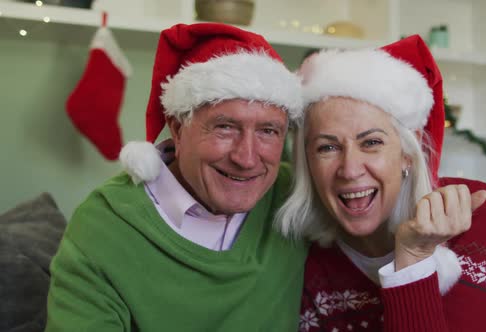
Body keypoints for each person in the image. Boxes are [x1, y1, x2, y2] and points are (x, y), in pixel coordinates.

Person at [45, 23, 308, 331]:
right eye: (225, 127)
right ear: (178, 128)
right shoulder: (103, 226)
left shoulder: (295, 198)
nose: (246, 158)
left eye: (268, 131)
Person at [276, 35, 486, 331]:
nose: (349, 169)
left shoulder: (476, 212)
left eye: (371, 142)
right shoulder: (305, 256)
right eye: (327, 147)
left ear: (409, 153)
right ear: (307, 161)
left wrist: (412, 257)